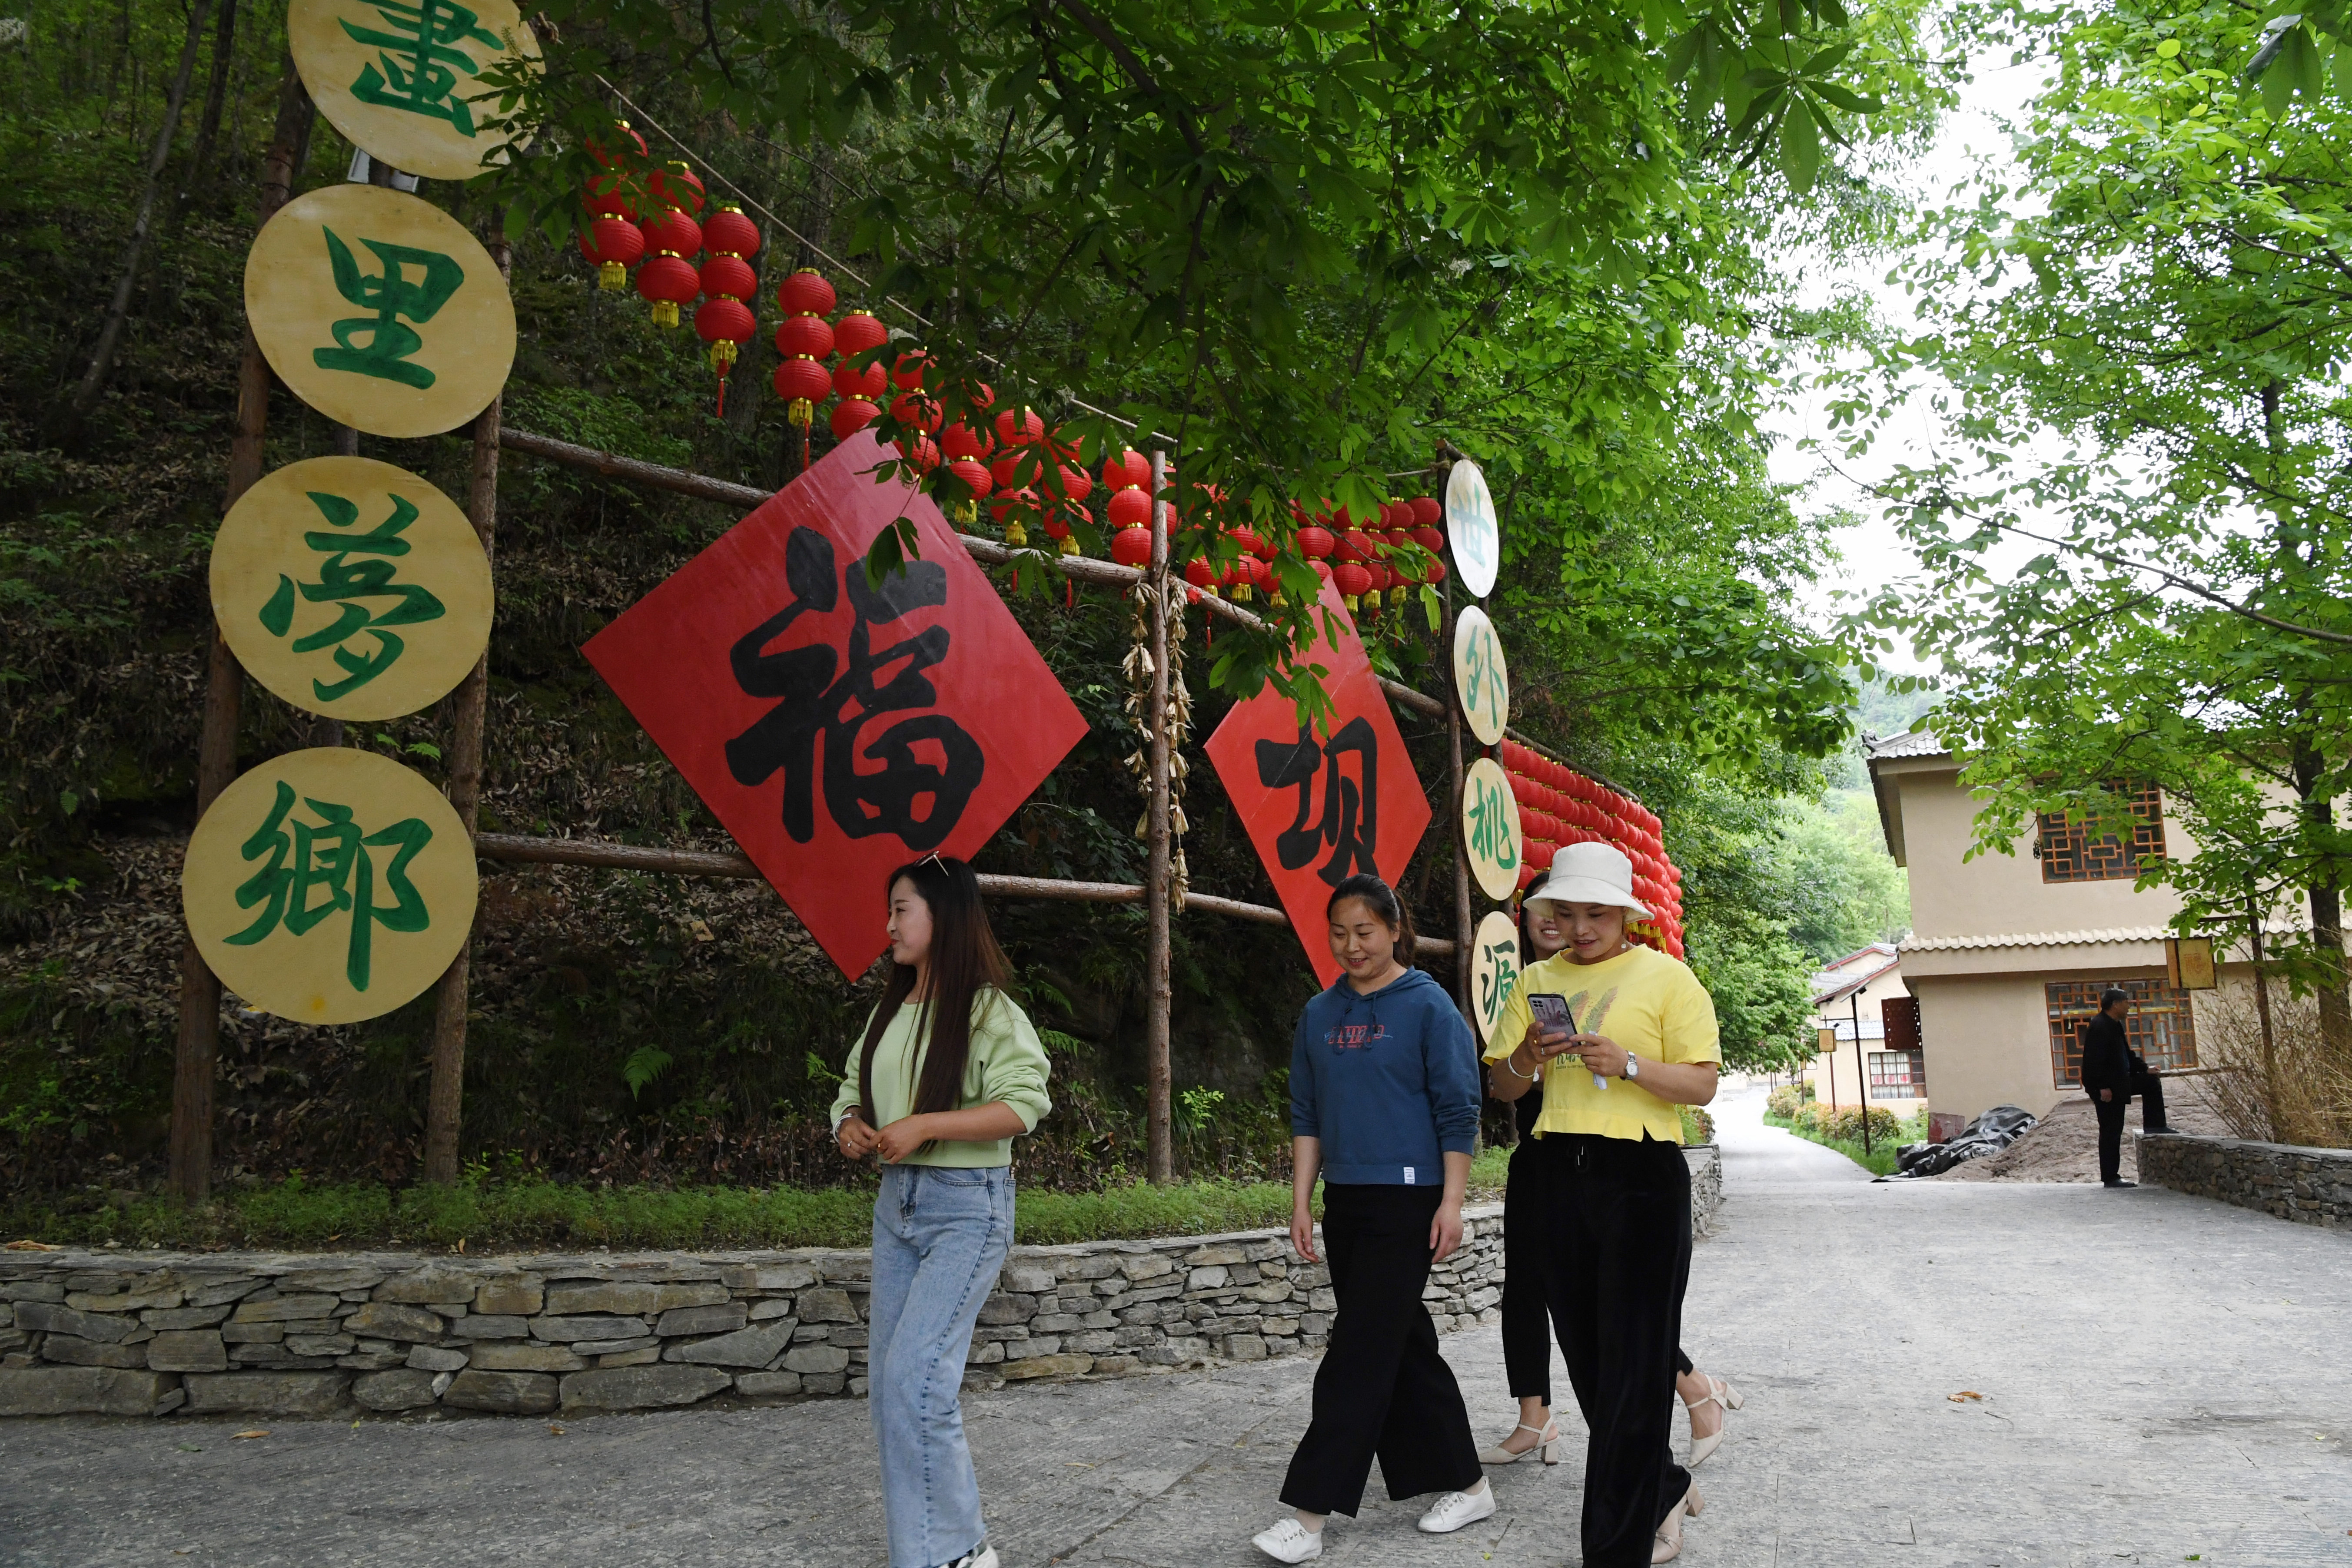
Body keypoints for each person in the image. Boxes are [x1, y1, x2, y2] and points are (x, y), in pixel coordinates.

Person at [1483, 841, 1722, 1565]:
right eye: (1566, 910)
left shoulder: (1667, 977)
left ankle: (1614, 1547)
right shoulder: (1533, 979)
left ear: (1624, 913)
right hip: (1556, 1171)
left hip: (1642, 1174)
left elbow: (1702, 1083)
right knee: (1589, 1359)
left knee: (1637, 1358)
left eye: (1596, 911)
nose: (1580, 924)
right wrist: (1526, 1053)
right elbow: (1502, 1087)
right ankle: (1664, 1485)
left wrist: (1627, 1063)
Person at [1251, 874, 1492, 1565]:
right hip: (1347, 1201)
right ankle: (1469, 1484)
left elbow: (1458, 1111)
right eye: (1339, 933)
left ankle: (1309, 1515)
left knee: (1356, 1354)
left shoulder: (1429, 1007)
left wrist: (1451, 1201)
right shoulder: (1318, 1014)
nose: (1351, 945)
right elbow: (1308, 1116)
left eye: (1365, 931)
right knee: (1400, 1344)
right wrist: (1301, 1200)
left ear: (1394, 929)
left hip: (1410, 1199)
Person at [831, 855, 1053, 1568]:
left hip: (967, 1211)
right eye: (890, 909)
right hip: (898, 1207)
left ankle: (959, 1550)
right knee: (890, 1388)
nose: (889, 924)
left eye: (902, 909)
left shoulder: (990, 1010)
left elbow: (1023, 1105)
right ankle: (929, 1551)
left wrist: (927, 1124)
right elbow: (849, 1088)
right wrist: (850, 1124)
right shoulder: (889, 1007)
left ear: (943, 916)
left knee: (915, 1377)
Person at [2079, 986, 2172, 1188]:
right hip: (2106, 1088)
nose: (2129, 1006)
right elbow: (2093, 1062)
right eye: (2126, 1002)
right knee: (2111, 1130)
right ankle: (2110, 1177)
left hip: (2119, 1082)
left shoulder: (2115, 1025)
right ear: (2115, 1005)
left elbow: (2126, 1055)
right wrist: (2102, 1087)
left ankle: (2155, 1125)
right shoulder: (2100, 1026)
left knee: (2151, 1083)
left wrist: (2145, 1068)